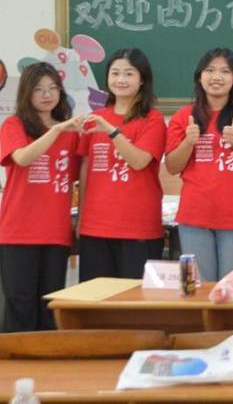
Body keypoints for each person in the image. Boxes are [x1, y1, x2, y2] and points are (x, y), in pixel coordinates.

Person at [164, 48, 233, 281]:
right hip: (194, 216)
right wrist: (188, 142)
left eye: (225, 71)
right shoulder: (184, 116)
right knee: (199, 290)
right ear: (199, 77)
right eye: (210, 70)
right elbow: (172, 166)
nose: (216, 77)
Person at [0, 62, 82, 331]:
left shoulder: (71, 134)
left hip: (55, 232)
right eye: (38, 89)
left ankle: (48, 358)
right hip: (18, 231)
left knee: (50, 305)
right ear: (27, 93)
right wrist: (55, 130)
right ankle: (15, 357)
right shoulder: (14, 125)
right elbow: (23, 158)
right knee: (19, 303)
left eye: (53, 88)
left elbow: (80, 176)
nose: (47, 95)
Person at [78, 48, 167, 280]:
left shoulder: (153, 119)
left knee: (133, 299)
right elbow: (86, 169)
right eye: (115, 73)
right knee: (94, 297)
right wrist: (82, 218)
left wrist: (112, 132)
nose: (121, 79)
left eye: (129, 73)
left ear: (142, 79)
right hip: (95, 226)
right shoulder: (95, 118)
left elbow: (139, 161)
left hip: (138, 227)